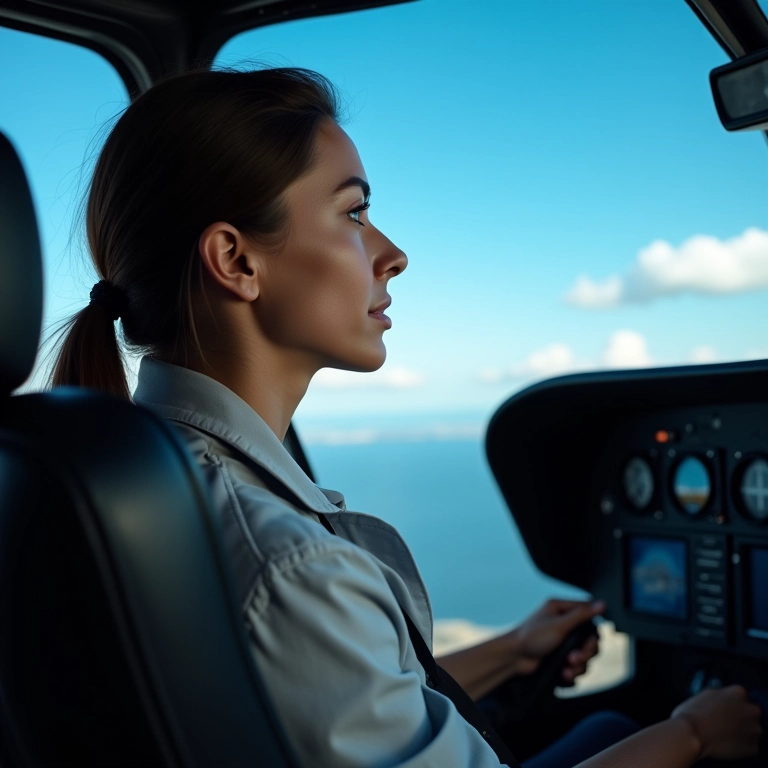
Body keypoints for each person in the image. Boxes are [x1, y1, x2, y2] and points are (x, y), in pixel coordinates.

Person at [50, 67, 762, 768]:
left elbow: (320, 691)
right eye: (353, 214)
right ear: (236, 260)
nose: (392, 255)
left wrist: (514, 650)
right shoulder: (288, 563)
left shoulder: (148, 477)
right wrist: (694, 735)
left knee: (608, 721)